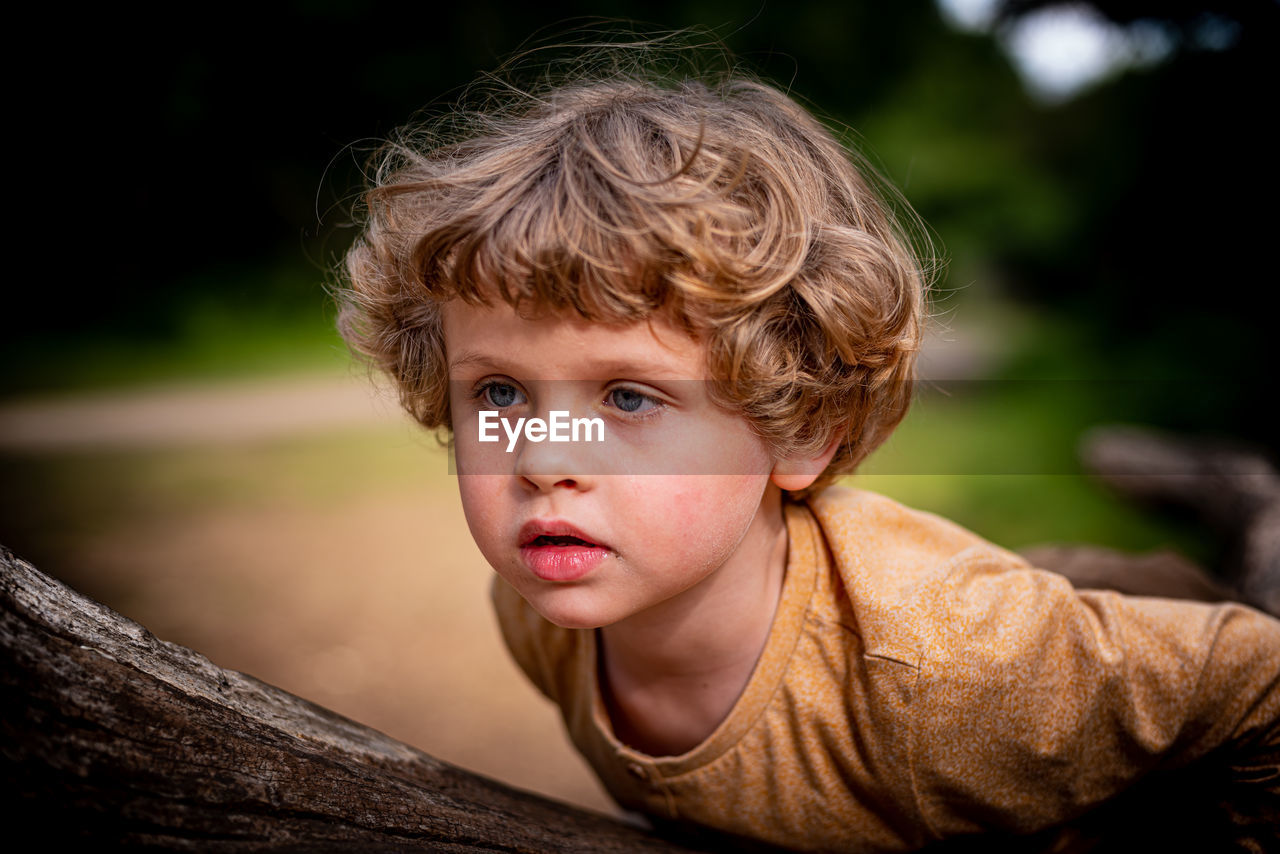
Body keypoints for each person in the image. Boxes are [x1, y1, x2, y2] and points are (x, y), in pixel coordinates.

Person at [336, 37, 1279, 852]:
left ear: (803, 431)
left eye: (629, 395)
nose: (542, 459)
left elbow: (1262, 689)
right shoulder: (540, 608)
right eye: (499, 391)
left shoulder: (958, 677)